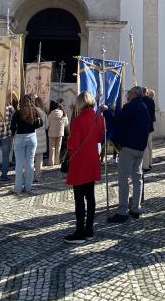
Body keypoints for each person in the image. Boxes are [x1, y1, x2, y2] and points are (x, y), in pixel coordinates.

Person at [64, 91, 105, 244]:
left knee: (79, 198)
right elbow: (101, 138)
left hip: (80, 161)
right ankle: (89, 230)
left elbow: (73, 144)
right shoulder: (98, 118)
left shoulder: (79, 119)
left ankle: (80, 232)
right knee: (91, 197)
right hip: (92, 159)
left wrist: (68, 140)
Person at [107, 86, 152, 223]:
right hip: (140, 148)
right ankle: (136, 208)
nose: (127, 95)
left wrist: (106, 113)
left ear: (135, 94)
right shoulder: (144, 107)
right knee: (137, 178)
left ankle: (122, 212)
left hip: (129, 147)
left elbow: (118, 122)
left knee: (123, 179)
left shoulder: (130, 107)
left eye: (129, 93)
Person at [10, 94, 43, 194]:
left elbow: (12, 126)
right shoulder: (35, 111)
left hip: (20, 137)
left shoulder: (18, 113)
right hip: (32, 137)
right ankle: (28, 187)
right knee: (30, 163)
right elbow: (40, 124)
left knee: (19, 164)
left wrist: (13, 133)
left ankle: (18, 188)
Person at [33, 96, 49, 182]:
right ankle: (37, 176)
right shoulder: (43, 113)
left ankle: (28, 175)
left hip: (32, 137)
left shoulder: (31, 112)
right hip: (41, 138)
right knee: (39, 159)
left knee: (30, 158)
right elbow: (46, 126)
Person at [47, 100, 67, 165]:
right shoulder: (63, 114)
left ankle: (51, 162)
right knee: (58, 148)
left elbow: (47, 124)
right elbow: (66, 124)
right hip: (60, 133)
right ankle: (57, 162)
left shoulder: (51, 114)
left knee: (52, 148)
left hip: (51, 133)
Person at [141, 88, 156, 171]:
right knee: (149, 146)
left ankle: (145, 165)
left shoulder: (142, 101)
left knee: (145, 146)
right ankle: (150, 163)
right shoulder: (151, 101)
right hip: (150, 126)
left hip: (144, 126)